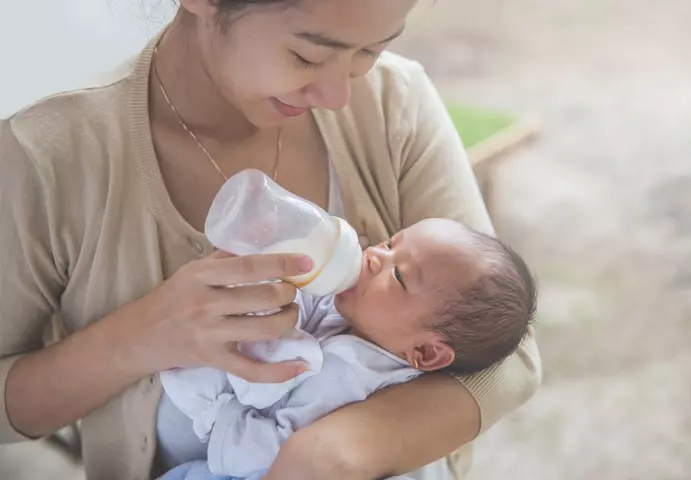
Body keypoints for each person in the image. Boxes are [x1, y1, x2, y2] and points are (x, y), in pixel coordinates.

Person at [0, 1, 542, 479]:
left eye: (369, 52)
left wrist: (333, 451)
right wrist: (137, 337)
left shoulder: (393, 101)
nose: (337, 95)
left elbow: (509, 358)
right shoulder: (46, 157)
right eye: (307, 56)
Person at [158, 218, 537, 480]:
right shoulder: (358, 316)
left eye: (399, 275)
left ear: (425, 353)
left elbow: (271, 450)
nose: (375, 255)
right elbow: (302, 304)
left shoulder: (354, 381)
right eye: (391, 243)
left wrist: (219, 414)